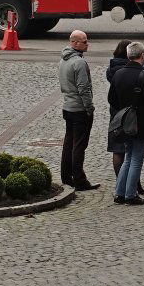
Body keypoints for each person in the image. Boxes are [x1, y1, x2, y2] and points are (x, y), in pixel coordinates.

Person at [107, 41, 144, 206]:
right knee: (136, 158)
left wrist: (124, 109)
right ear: (142, 55)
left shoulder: (118, 73)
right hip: (140, 121)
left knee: (128, 156)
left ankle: (119, 193)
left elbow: (112, 98)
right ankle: (130, 194)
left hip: (124, 120)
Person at [57, 30, 98, 190]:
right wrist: (89, 107)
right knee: (79, 146)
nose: (87, 44)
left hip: (67, 107)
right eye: (84, 41)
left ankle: (66, 177)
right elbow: (84, 88)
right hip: (79, 109)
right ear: (74, 43)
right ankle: (80, 181)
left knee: (68, 144)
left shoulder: (63, 60)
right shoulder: (79, 63)